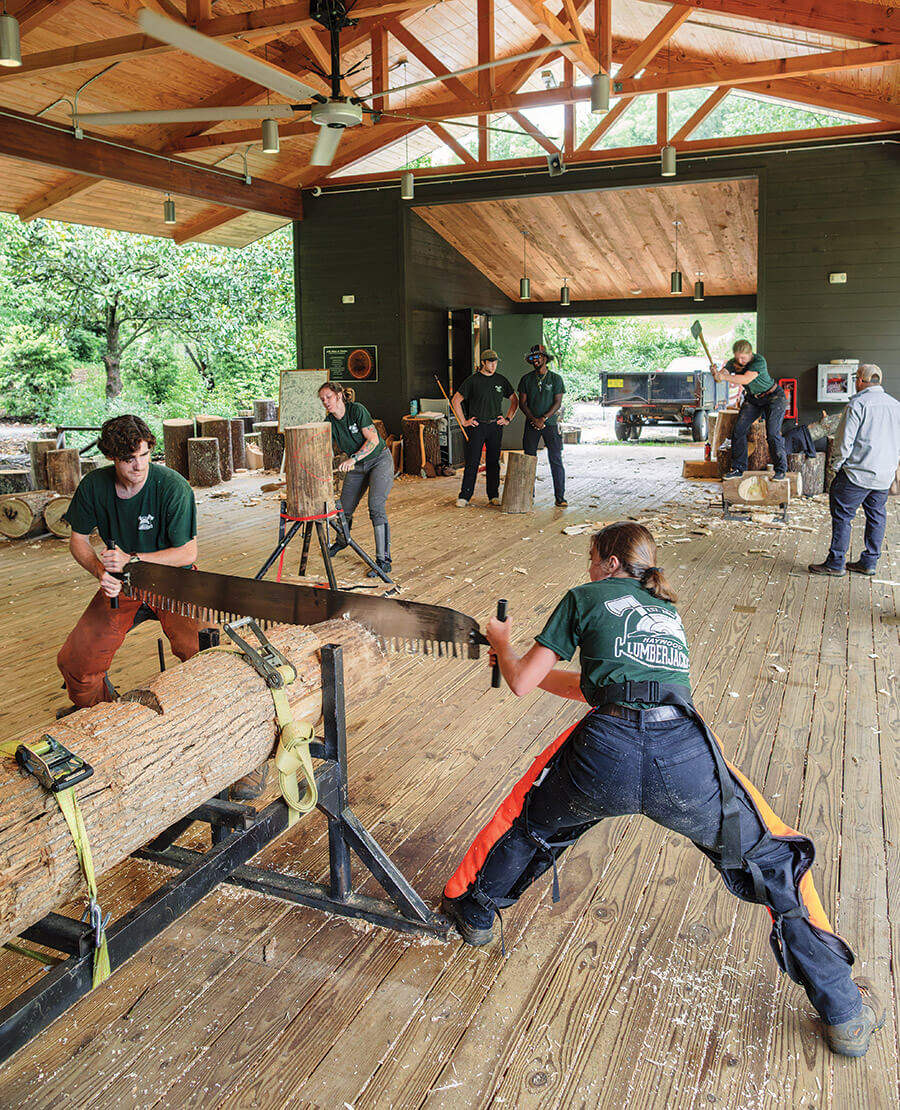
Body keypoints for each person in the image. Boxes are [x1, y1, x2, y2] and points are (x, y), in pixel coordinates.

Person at [442, 522, 884, 1057]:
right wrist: (513, 661)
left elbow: (523, 684)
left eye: (590, 558)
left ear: (608, 562)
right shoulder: (665, 611)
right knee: (772, 861)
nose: (587, 569)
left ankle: (476, 912)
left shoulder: (585, 596)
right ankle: (843, 1011)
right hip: (684, 754)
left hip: (605, 753)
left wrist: (504, 645)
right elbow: (597, 682)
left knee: (532, 821)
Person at [57, 414, 203, 708]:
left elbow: (187, 553)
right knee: (76, 662)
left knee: (205, 652)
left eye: (145, 455)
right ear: (111, 456)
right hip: (123, 586)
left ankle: (205, 713)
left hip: (174, 580)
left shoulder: (172, 487)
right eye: (129, 459)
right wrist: (102, 572)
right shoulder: (94, 486)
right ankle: (105, 717)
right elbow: (78, 540)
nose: (139, 466)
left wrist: (130, 559)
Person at [809, 363, 900, 577]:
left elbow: (843, 442)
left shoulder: (857, 404)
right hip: (883, 474)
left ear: (859, 380)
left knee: (842, 515)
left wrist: (837, 466)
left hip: (857, 473)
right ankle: (869, 562)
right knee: (876, 515)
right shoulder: (895, 405)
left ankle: (836, 562)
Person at [319, 381, 394, 576]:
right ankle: (342, 541)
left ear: (339, 395)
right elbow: (328, 448)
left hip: (379, 461)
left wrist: (353, 458)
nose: (325, 401)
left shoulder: (357, 410)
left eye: (328, 397)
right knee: (344, 509)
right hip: (357, 466)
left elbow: (374, 440)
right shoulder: (330, 422)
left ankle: (383, 560)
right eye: (322, 399)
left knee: (376, 507)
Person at [451, 349, 518, 507]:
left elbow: (514, 400)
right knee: (472, 461)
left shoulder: (501, 380)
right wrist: (464, 421)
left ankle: (493, 495)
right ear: (483, 363)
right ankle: (465, 496)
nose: (493, 365)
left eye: (495, 362)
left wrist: (507, 418)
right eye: (490, 362)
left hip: (495, 426)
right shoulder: (473, 381)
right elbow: (455, 400)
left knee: (493, 462)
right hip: (477, 426)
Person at [713, 340, 787, 480]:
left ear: (750, 353)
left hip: (773, 396)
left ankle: (780, 470)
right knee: (738, 431)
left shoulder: (759, 361)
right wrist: (716, 374)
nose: (740, 361)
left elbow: (746, 379)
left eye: (743, 358)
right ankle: (738, 468)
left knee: (772, 433)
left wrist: (722, 376)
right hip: (753, 399)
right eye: (738, 358)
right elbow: (723, 374)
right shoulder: (733, 362)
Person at [518, 343, 567, 507]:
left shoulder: (555, 379)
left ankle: (560, 497)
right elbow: (522, 403)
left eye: (538, 356)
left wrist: (544, 418)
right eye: (532, 357)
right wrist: (534, 419)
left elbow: (557, 402)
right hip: (532, 424)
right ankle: (528, 496)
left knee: (555, 459)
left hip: (550, 424)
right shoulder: (526, 379)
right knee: (529, 459)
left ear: (545, 358)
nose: (535, 360)